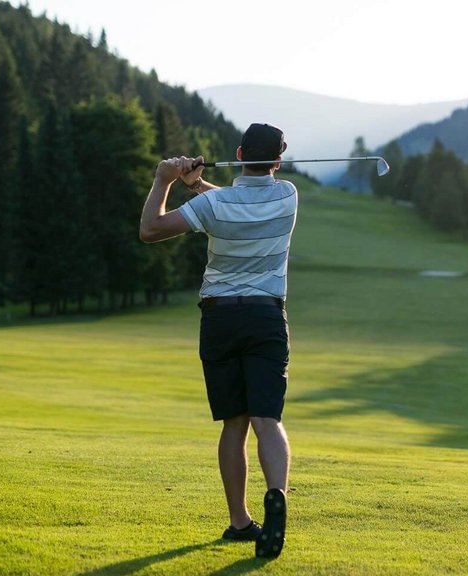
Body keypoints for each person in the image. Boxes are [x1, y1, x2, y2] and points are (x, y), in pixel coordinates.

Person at [138, 122, 295, 559]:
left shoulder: (214, 203)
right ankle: (277, 493)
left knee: (234, 423)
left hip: (221, 319)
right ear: (277, 162)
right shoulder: (288, 196)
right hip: (266, 316)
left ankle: (240, 521)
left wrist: (164, 181)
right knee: (268, 420)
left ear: (239, 153)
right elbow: (236, 201)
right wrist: (197, 184)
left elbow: (150, 229)